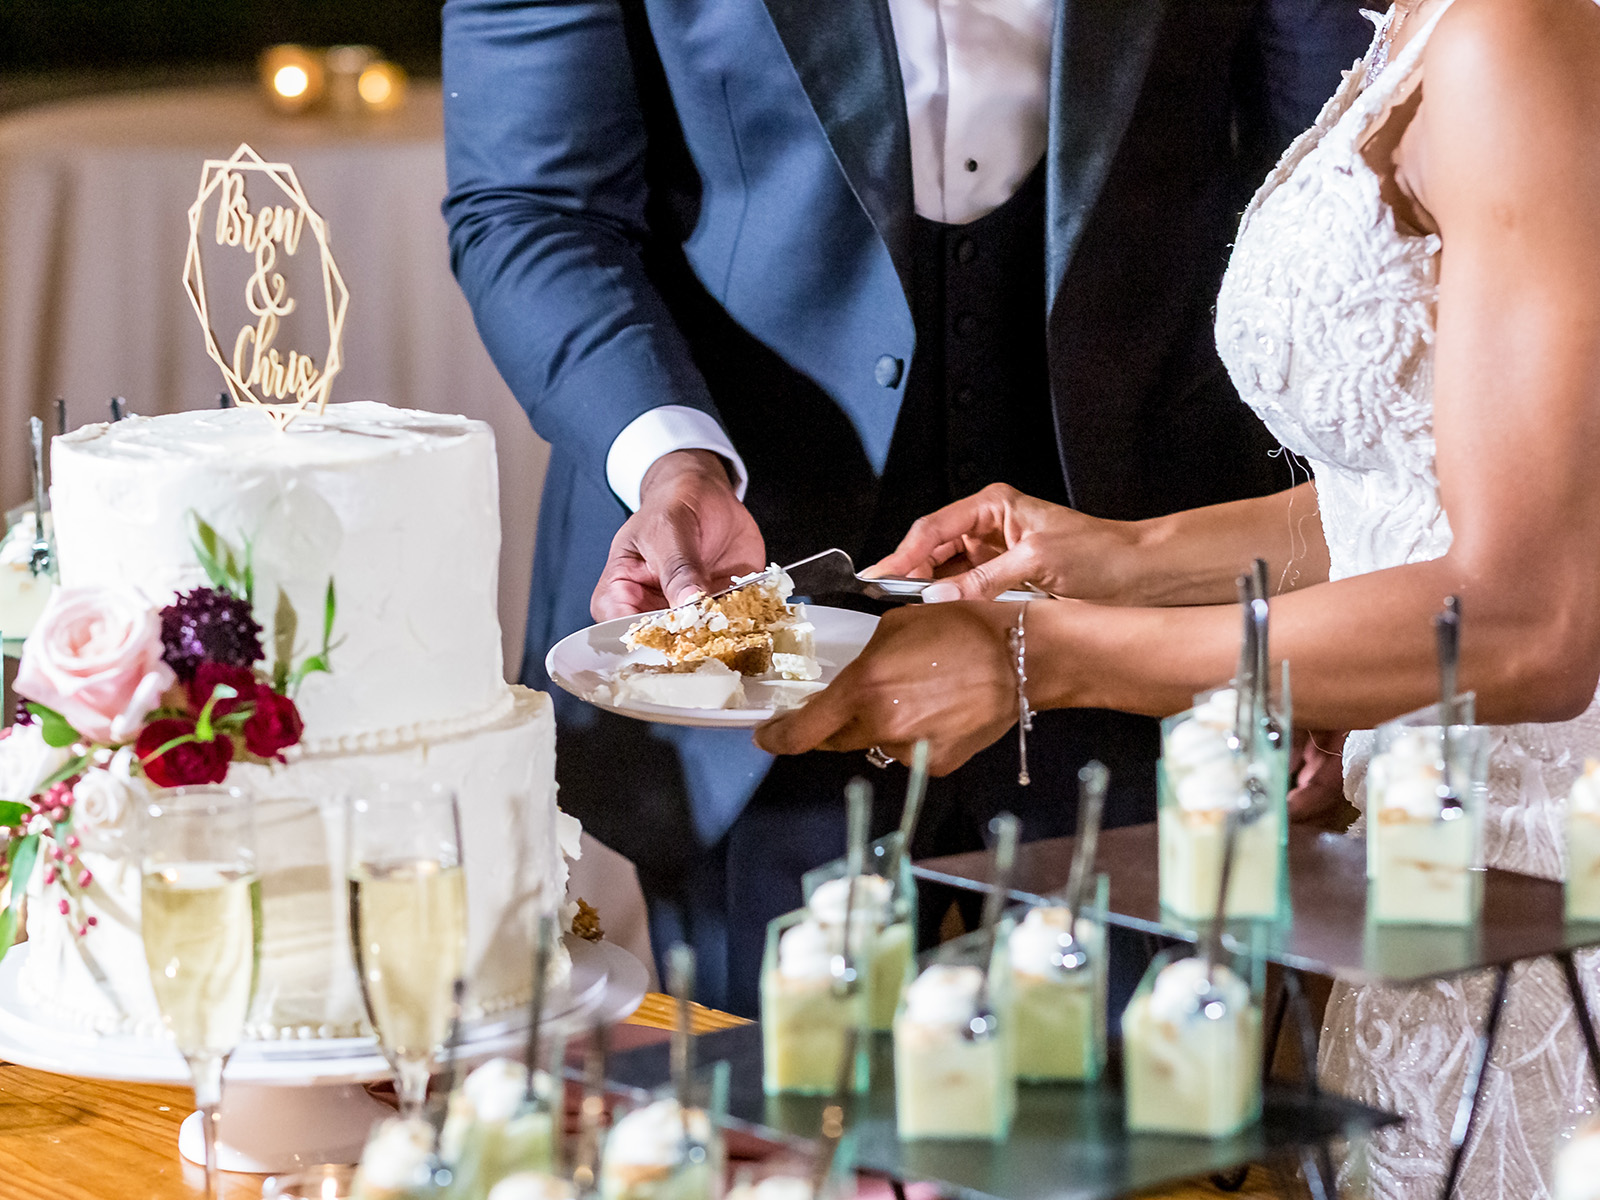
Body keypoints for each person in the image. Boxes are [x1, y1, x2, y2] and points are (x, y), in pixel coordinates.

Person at [758, 0, 1600, 1192]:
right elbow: (1416, 485)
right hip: (1422, 857)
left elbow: (1534, 617)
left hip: (1536, 864)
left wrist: (1046, 656)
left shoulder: (1511, 37)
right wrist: (1123, 553)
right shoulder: (1420, 25)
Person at [441, 0, 1371, 1013]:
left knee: (1146, 1114)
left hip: (1148, 591)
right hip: (750, 630)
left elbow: (1331, 168)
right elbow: (531, 206)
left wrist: (1321, 596)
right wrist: (673, 462)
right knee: (774, 1133)